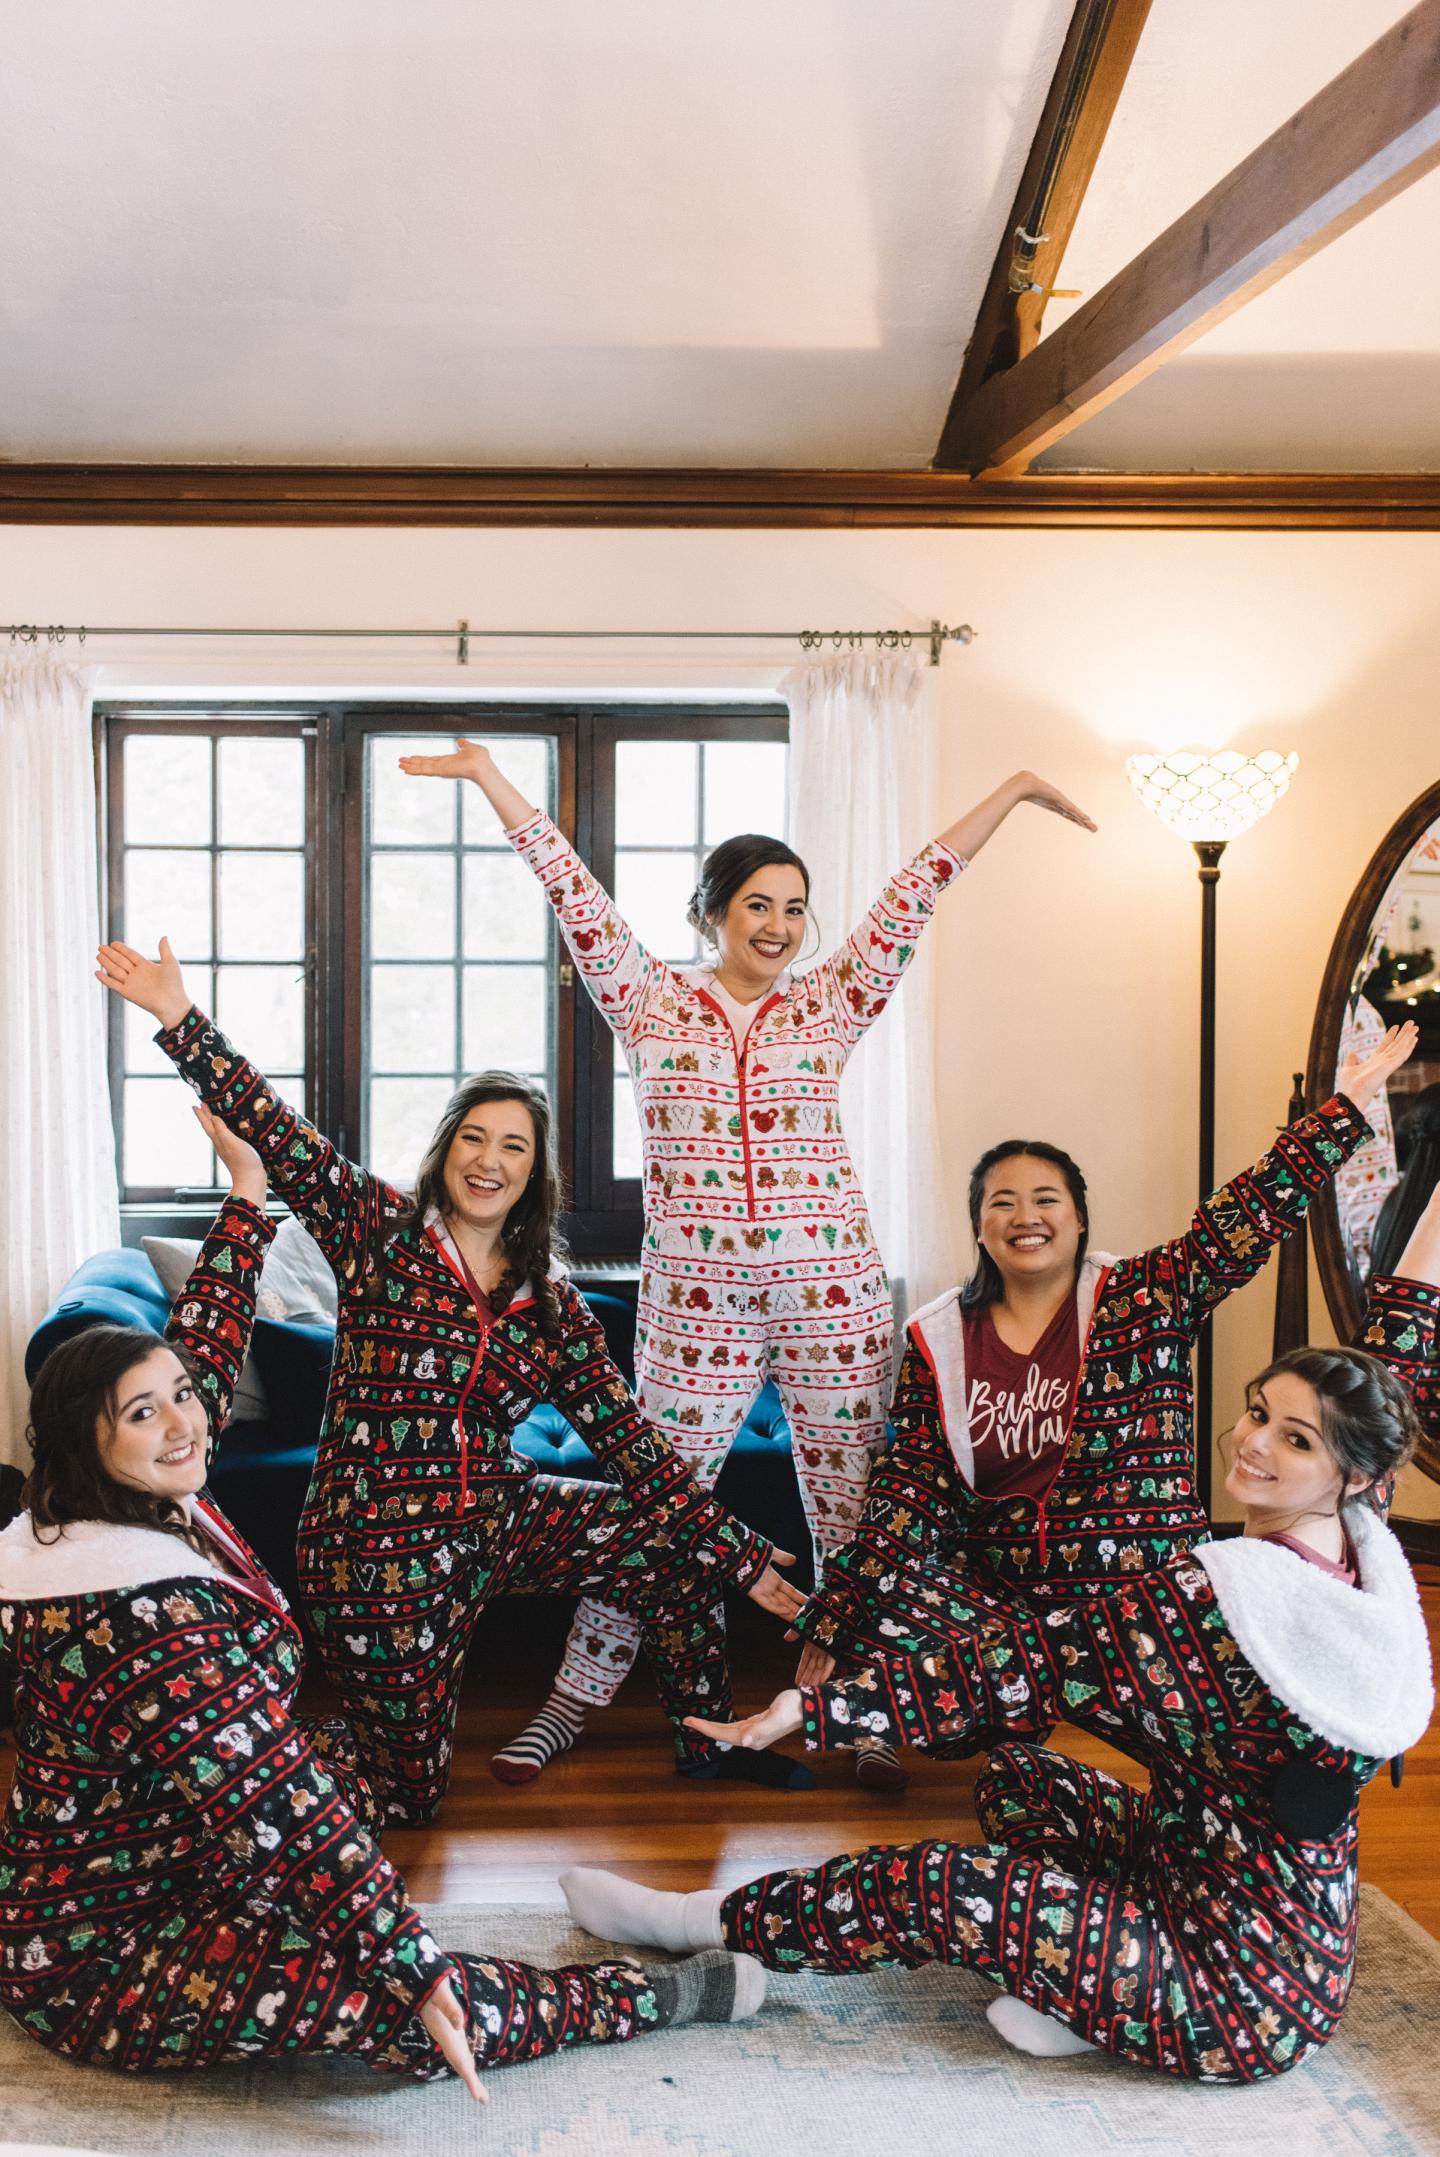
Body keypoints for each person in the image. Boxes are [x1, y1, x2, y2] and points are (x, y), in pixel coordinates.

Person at [558, 1181, 1440, 2084]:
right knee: (1023, 1778)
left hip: (1232, 1997)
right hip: (1224, 1895)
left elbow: (1017, 1668)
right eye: (1259, 1412)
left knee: (942, 1887)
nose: (1254, 1442)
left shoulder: (1221, 1596)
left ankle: (694, 1920)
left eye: (1296, 1440)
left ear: (1353, 1472)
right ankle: (1081, 1995)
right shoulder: (1360, 1551)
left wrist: (814, 1710)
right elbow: (1400, 1345)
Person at [0, 1113, 762, 2091]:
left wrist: (246, 1196)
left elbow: (209, 1339)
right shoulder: (135, 1620)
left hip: (189, 1847)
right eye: (144, 1412)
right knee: (419, 2011)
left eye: (183, 1396)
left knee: (369, 1793)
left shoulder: (141, 1498)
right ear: (83, 1440)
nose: (186, 1422)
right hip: (107, 1957)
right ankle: (652, 1993)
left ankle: (332, 1929)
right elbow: (279, 1799)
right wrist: (403, 1955)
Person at [400, 738, 1096, 1785]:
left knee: (857, 1511)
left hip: (834, 1296)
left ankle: (863, 1708)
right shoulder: (647, 1000)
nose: (777, 926)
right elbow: (570, 889)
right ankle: (570, 1701)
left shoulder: (829, 1000)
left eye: (794, 909)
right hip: (696, 1307)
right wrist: (494, 780)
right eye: (757, 904)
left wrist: (1015, 788)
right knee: (654, 1508)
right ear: (711, 913)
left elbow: (917, 890)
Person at [95, 939, 811, 1821]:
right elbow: (275, 1128)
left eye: (513, 1145)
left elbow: (632, 1445)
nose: (489, 1158)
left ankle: (708, 1742)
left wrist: (736, 1549)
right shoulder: (378, 1231)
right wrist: (176, 1015)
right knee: (407, 1795)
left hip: (495, 1517)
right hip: (374, 1547)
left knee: (673, 1539)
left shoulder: (553, 1306)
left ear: (533, 1174)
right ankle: (238, 1752)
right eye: (474, 1136)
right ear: (446, 1149)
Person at [781, 1023, 1419, 1763]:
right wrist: (841, 1610)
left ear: (1079, 1218)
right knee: (871, 1596)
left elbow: (1238, 1224)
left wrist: (1345, 1108)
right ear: (979, 1228)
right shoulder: (940, 1339)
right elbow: (913, 1487)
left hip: (1141, 1607)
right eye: (1001, 1203)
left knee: (1203, 1747)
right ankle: (1009, 1705)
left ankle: (1030, 1698)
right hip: (1010, 1601)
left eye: (1046, 1199)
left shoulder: (1145, 1297)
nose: (1025, 1217)